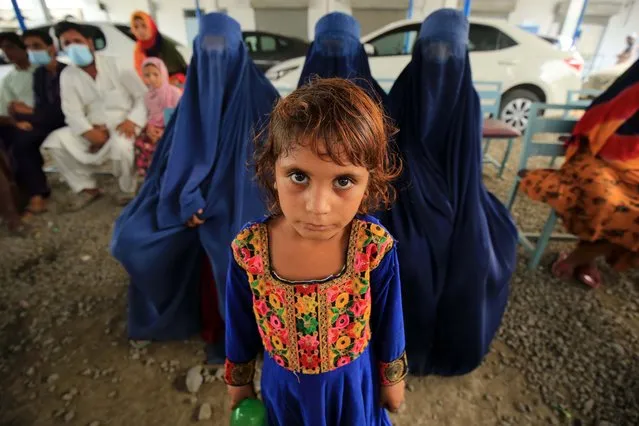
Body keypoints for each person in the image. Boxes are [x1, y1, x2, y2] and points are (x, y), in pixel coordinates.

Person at [224, 78, 406, 425]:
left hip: (353, 389)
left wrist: (392, 378)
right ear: (272, 170)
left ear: (370, 182)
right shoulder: (250, 250)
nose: (318, 207)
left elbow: (389, 320)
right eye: (298, 176)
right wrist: (240, 381)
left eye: (343, 181)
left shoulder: (373, 247)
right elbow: (239, 324)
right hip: (284, 391)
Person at [110, 14, 279, 356]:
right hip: (190, 198)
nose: (214, 60)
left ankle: (244, 335)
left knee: (232, 245)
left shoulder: (264, 100)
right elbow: (167, 166)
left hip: (246, 202)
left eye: (223, 51)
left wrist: (212, 201)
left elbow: (274, 169)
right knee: (130, 238)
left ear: (239, 53)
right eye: (207, 51)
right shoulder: (191, 101)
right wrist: (185, 198)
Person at [378, 9, 518, 376]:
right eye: (432, 49)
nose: (440, 59)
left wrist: (456, 214)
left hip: (458, 198)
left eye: (450, 52)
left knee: (479, 255)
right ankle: (401, 349)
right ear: (418, 51)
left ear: (463, 55)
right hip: (402, 199)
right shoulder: (401, 96)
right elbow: (390, 163)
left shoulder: (468, 102)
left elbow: (467, 173)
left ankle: (444, 351)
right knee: (407, 258)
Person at [520, 58, 639, 286]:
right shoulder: (624, 94)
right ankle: (581, 258)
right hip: (594, 157)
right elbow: (591, 129)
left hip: (634, 168)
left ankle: (583, 257)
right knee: (604, 200)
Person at [42, 22, 147, 210]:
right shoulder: (68, 75)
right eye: (67, 43)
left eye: (77, 41)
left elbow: (142, 97)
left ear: (89, 42)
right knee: (55, 141)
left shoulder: (117, 64)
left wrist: (132, 120)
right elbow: (71, 111)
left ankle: (127, 188)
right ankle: (86, 187)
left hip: (122, 124)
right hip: (92, 128)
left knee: (122, 145)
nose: (73, 46)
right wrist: (88, 132)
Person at [6, 29, 67, 214]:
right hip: (45, 120)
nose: (32, 51)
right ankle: (35, 192)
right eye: (28, 47)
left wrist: (31, 113)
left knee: (23, 137)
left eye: (36, 46)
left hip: (65, 119)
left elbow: (62, 110)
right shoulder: (39, 74)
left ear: (51, 48)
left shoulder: (66, 72)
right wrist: (22, 117)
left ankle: (34, 193)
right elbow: (41, 105)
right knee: (18, 137)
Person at [298, 12, 386, 104]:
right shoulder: (373, 97)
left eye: (340, 46)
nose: (334, 54)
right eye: (328, 46)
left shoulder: (303, 94)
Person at [134, 57, 181, 177]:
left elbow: (180, 118)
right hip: (154, 129)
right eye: (147, 75)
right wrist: (150, 128)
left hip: (173, 130)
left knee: (166, 149)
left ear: (163, 73)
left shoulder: (174, 93)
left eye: (156, 74)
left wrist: (164, 133)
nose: (151, 79)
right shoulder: (147, 96)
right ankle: (149, 178)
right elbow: (150, 115)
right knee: (141, 143)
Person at [130, 11, 187, 86]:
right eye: (136, 27)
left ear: (151, 26)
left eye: (144, 26)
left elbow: (181, 71)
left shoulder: (165, 45)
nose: (140, 31)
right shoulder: (138, 50)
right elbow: (141, 74)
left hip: (175, 84)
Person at [0, 32, 37, 129]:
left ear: (23, 47)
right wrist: (17, 124)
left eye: (10, 47)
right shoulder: (8, 80)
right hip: (28, 121)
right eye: (3, 49)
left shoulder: (42, 69)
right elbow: (8, 109)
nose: (7, 52)